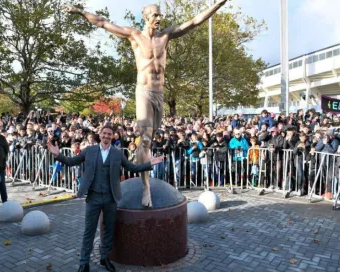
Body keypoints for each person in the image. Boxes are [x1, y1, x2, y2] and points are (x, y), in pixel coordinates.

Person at [63, 0, 228, 207]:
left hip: (159, 94)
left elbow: (194, 21)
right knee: (147, 138)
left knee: (149, 139)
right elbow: (103, 23)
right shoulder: (134, 36)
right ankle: (146, 188)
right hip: (143, 92)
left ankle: (138, 157)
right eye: (155, 15)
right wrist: (79, 11)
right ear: (146, 17)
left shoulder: (166, 36)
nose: (159, 19)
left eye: (160, 16)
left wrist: (219, 3)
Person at [46, 125, 163, 272]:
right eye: (104, 133)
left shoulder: (117, 153)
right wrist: (57, 154)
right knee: (89, 230)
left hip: (110, 197)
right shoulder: (89, 150)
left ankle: (105, 258)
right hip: (93, 197)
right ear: (100, 135)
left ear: (112, 136)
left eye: (109, 134)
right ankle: (84, 263)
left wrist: (149, 164)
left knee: (109, 229)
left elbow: (131, 168)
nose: (107, 136)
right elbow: (71, 162)